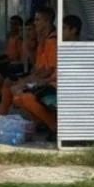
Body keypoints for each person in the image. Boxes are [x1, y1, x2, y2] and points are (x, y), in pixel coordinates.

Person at [0, 6, 58, 127]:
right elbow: (38, 67)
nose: (35, 23)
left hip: (50, 82)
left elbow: (49, 70)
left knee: (19, 94)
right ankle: (4, 115)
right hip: (42, 78)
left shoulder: (52, 41)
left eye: (37, 20)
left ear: (47, 21)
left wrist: (29, 81)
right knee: (13, 89)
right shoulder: (43, 40)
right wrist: (28, 79)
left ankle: (50, 125)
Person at [13, 14, 82, 142]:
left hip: (64, 91)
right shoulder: (63, 48)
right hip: (52, 85)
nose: (61, 31)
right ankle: (45, 123)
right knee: (20, 96)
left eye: (65, 28)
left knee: (26, 96)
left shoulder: (78, 50)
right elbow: (47, 70)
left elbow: (55, 73)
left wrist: (39, 82)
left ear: (74, 30)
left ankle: (53, 126)